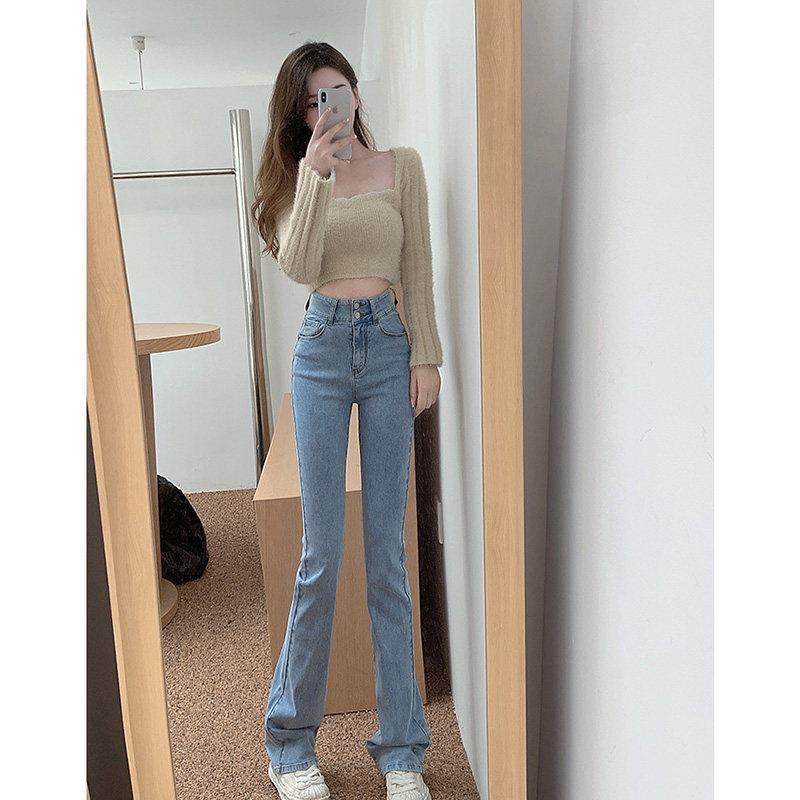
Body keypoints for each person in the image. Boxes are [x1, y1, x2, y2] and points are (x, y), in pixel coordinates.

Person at [251, 41, 443, 800]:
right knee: (321, 554)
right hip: (322, 352)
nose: (325, 106)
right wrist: (314, 176)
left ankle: (402, 753)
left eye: (334, 90)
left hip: (390, 348)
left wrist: (427, 355)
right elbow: (299, 267)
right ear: (301, 117)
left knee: (388, 556)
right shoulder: (300, 182)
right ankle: (289, 746)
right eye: (310, 101)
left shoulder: (404, 167)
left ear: (355, 93)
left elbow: (418, 267)